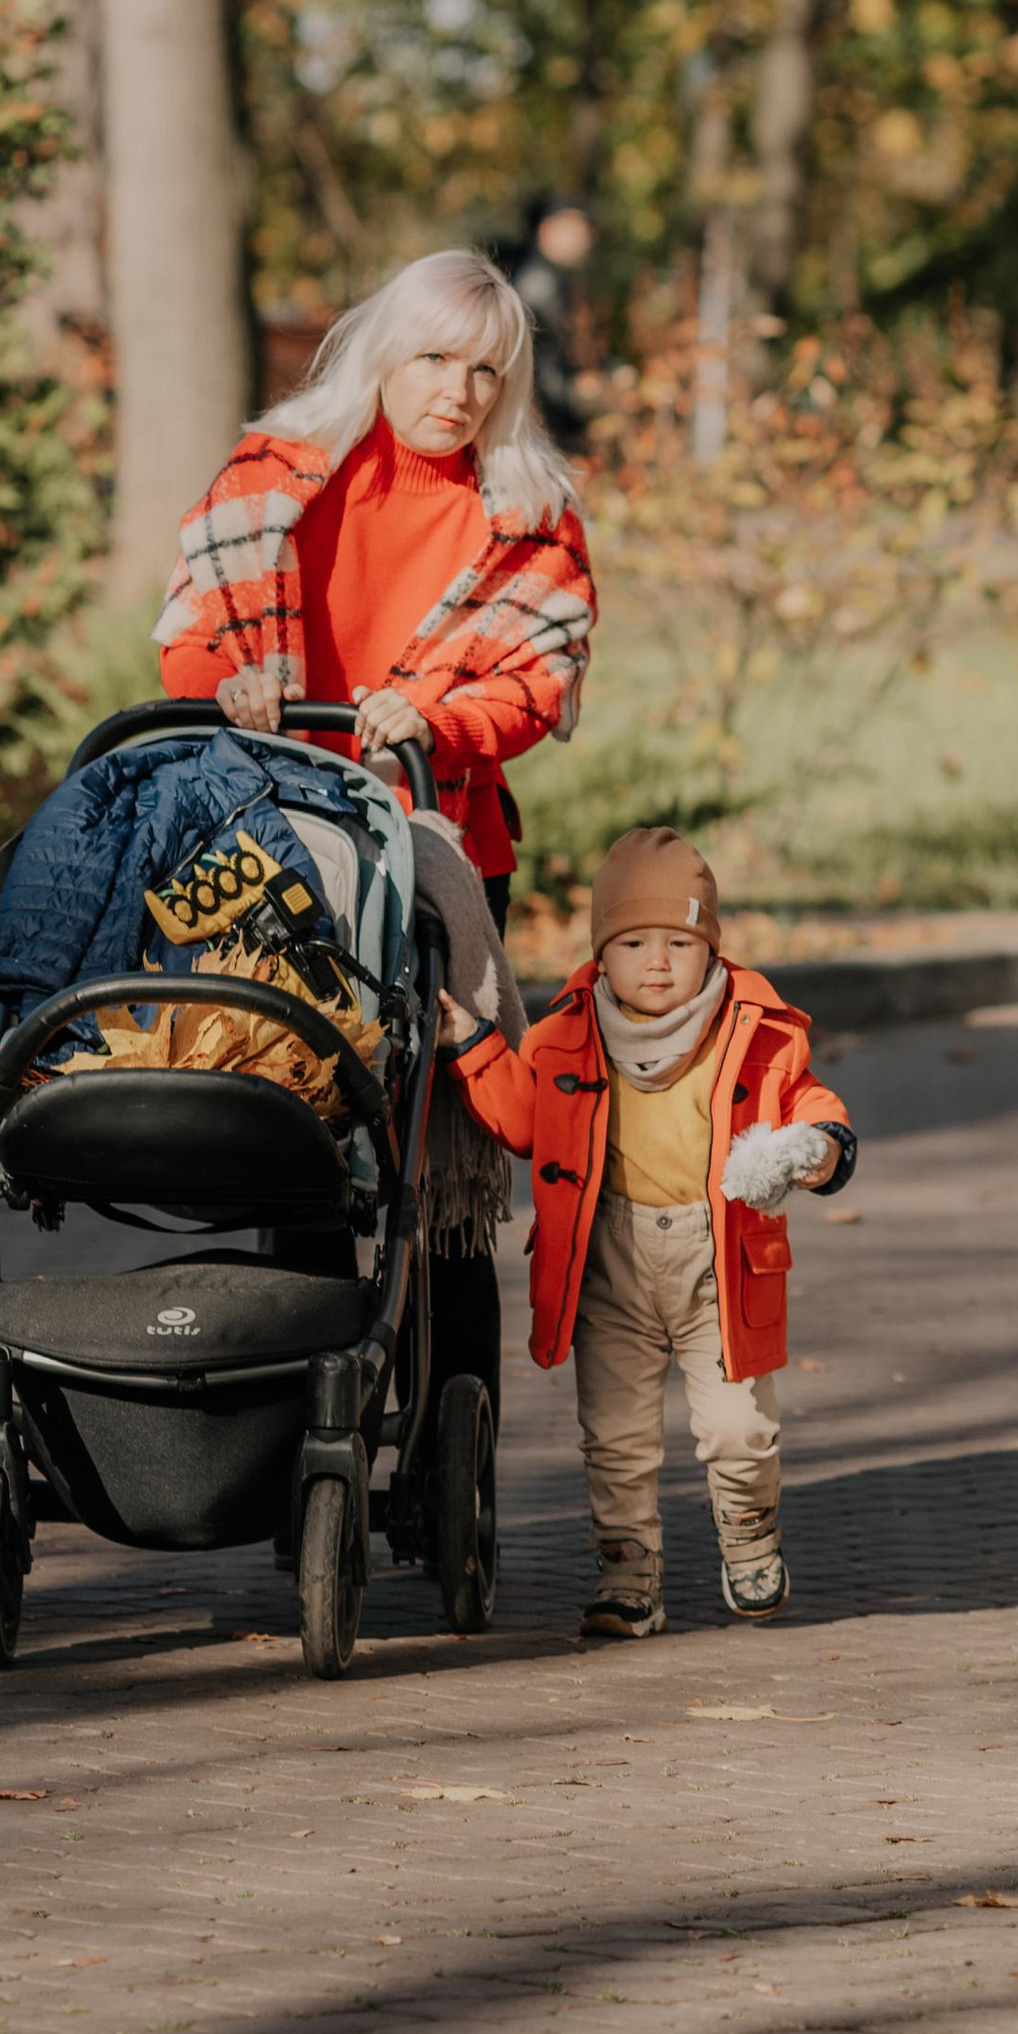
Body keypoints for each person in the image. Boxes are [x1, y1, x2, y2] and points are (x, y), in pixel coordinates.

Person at [156, 249, 598, 1416]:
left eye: (487, 371)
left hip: (442, 847)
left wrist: (441, 718)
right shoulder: (272, 478)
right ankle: (305, 1429)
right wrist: (234, 682)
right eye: (436, 359)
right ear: (383, 354)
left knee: (444, 1165)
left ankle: (458, 1445)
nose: (458, 391)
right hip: (286, 844)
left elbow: (535, 683)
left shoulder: (532, 516)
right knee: (298, 1123)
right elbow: (195, 626)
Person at [440, 825, 856, 1635]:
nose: (657, 963)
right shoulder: (567, 1033)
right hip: (610, 1259)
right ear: (602, 952)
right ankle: (629, 1574)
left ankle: (748, 1534)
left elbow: (806, 1102)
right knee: (617, 1439)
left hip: (718, 1262)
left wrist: (817, 1145)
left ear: (711, 949)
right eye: (633, 942)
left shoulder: (754, 1030)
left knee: (739, 1428)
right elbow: (526, 1121)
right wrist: (474, 1047)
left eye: (678, 941)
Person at [503, 193, 596, 455]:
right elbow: (545, 369)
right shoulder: (539, 285)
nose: (586, 237)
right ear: (547, 229)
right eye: (577, 228)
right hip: (537, 430)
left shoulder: (539, 277)